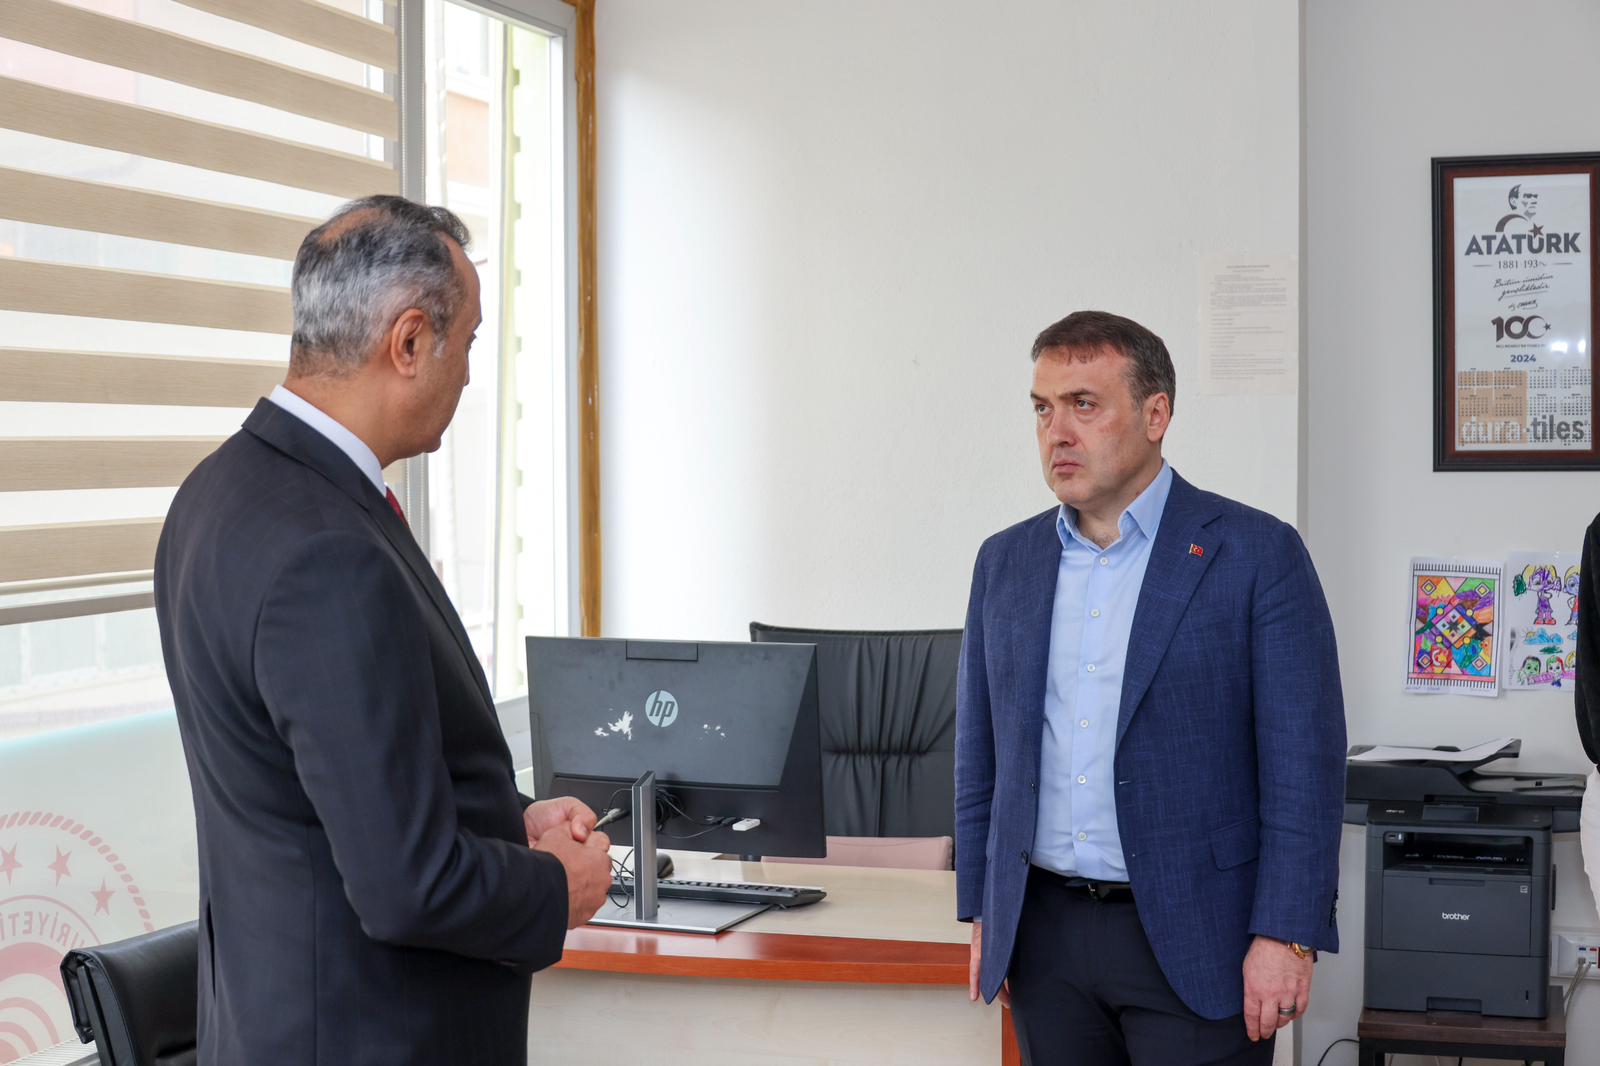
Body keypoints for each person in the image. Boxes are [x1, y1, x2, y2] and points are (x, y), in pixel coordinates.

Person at [154, 196, 613, 1066]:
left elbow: (332, 791)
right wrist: (557, 885)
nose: (469, 376)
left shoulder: (214, 495)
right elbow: (409, 886)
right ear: (408, 342)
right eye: (467, 342)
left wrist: (507, 819)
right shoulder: (329, 552)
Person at [954, 311, 1345, 1065]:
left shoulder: (1256, 554)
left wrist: (1288, 933)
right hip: (1044, 938)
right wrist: (983, 911)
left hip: (1200, 936)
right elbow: (981, 757)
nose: (1057, 433)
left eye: (1084, 405)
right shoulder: (1005, 562)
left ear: (1156, 414)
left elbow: (1305, 766)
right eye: (1043, 409)